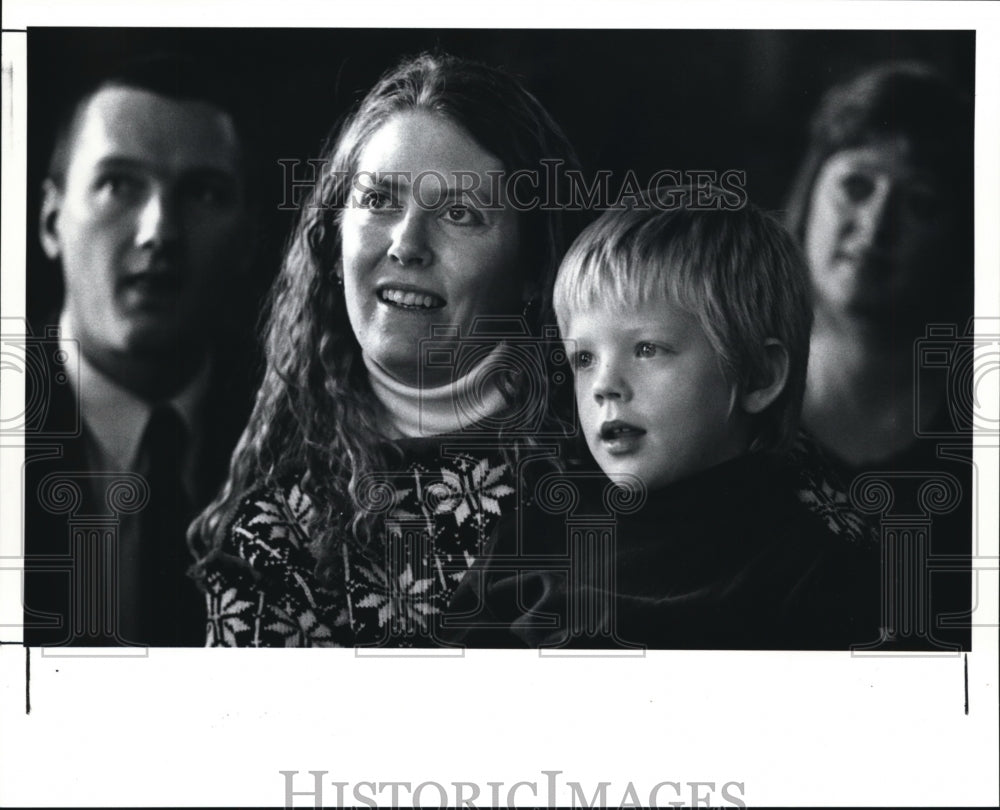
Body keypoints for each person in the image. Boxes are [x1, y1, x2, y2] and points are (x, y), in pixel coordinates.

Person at [189, 52, 582, 647]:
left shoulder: (602, 467)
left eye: (459, 212)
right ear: (333, 238)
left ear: (533, 270)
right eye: (379, 201)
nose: (408, 245)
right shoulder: (273, 530)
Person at [451, 188, 881, 650]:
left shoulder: (808, 570)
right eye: (584, 359)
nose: (604, 385)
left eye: (646, 349)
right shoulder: (535, 530)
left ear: (758, 375)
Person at [23, 55, 260, 646]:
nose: (160, 230)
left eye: (202, 193)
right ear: (51, 220)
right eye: (118, 184)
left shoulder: (305, 442)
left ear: (248, 241)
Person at [785, 63, 974, 649]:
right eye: (858, 185)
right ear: (812, 187)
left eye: (919, 202)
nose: (876, 225)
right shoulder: (721, 393)